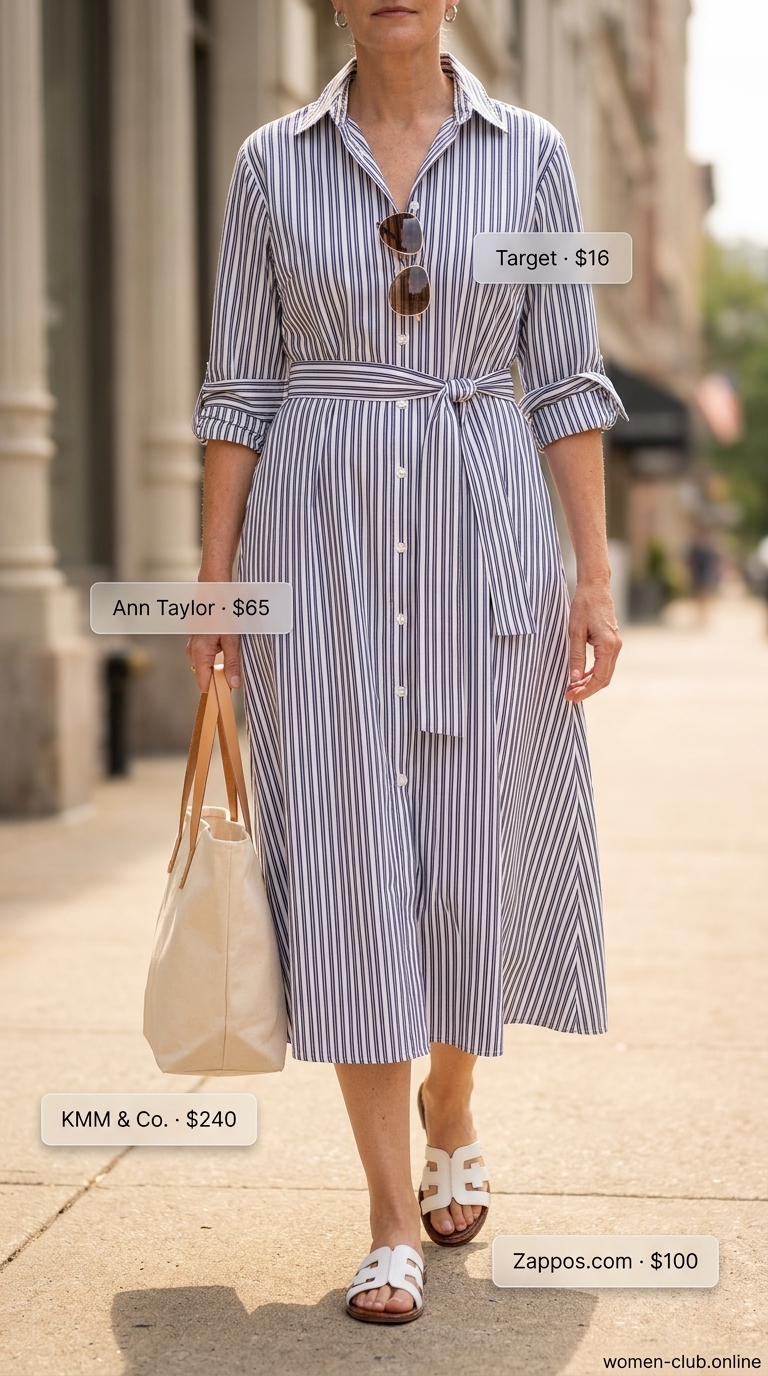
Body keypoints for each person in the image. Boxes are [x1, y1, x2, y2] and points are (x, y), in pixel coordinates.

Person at [187, 0, 624, 1325]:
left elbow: (566, 376)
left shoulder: (533, 154)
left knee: (467, 864)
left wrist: (593, 571)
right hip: (313, 557)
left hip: (485, 545)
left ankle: (454, 1099)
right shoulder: (269, 164)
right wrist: (215, 579)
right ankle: (387, 1221)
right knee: (348, 878)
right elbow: (237, 387)